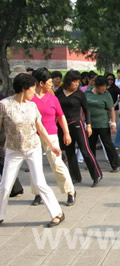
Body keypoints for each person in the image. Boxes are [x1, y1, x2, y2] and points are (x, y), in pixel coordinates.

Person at [0, 73, 65, 227]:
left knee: (39, 182)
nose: (34, 92)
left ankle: (57, 213)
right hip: (13, 150)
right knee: (5, 184)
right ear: (24, 88)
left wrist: (52, 145)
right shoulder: (4, 105)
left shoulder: (32, 106)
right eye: (32, 89)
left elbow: (40, 128)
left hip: (33, 148)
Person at [30, 67, 76, 207]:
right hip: (33, 136)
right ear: (41, 83)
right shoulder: (29, 98)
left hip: (51, 134)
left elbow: (61, 116)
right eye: (49, 82)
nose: (52, 84)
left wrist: (66, 133)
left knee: (56, 163)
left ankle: (70, 191)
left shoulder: (52, 98)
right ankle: (38, 193)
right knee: (34, 165)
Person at [56, 70, 103, 187]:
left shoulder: (79, 94)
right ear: (68, 81)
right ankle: (75, 177)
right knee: (69, 151)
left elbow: (87, 110)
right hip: (63, 126)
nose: (77, 84)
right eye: (74, 82)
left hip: (77, 123)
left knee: (85, 150)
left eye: (78, 82)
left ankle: (96, 175)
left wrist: (89, 125)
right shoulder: (59, 92)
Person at [86, 76, 120, 172]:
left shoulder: (106, 94)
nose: (104, 89)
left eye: (105, 86)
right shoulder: (88, 92)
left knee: (107, 144)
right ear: (96, 86)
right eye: (102, 87)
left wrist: (113, 123)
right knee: (91, 144)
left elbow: (111, 109)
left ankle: (115, 164)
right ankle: (92, 164)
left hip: (103, 123)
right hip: (90, 123)